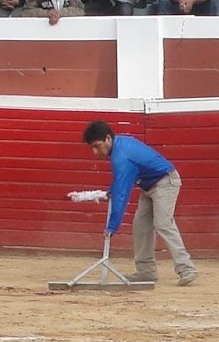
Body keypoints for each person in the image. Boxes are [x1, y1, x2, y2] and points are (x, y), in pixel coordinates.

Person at [84, 120, 198, 287]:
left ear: (108, 138)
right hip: (149, 186)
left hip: (165, 182)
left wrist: (112, 226)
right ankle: (146, 272)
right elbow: (121, 181)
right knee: (141, 226)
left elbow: (122, 193)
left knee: (163, 223)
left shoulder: (121, 156)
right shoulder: (120, 145)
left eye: (97, 146)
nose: (95, 152)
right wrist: (113, 189)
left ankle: (186, 269)